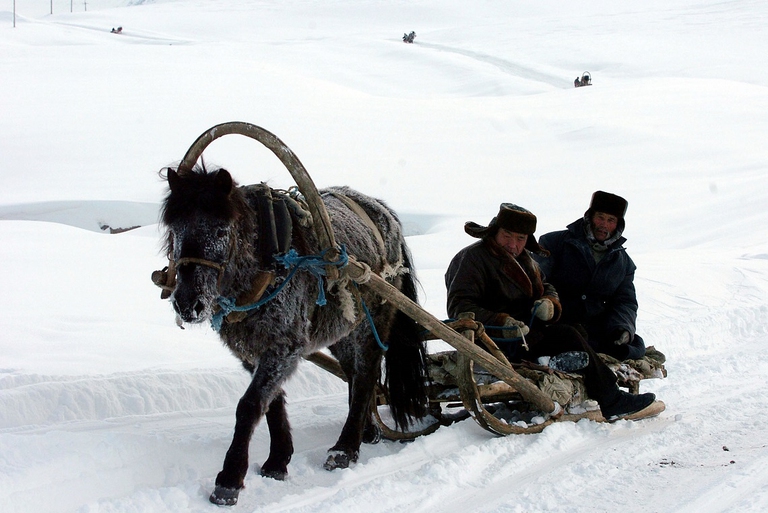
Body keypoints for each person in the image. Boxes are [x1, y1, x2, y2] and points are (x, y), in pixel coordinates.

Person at [445, 203, 660, 421]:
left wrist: (549, 303)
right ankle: (611, 400)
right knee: (568, 336)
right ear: (494, 232)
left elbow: (546, 286)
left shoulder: (524, 259)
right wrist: (502, 322)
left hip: (524, 336)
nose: (513, 244)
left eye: (520, 239)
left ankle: (558, 367)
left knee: (578, 331)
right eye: (507, 235)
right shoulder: (473, 258)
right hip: (493, 340)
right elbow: (460, 307)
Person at [534, 191, 646, 361]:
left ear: (618, 225)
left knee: (635, 345)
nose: (604, 225)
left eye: (611, 220)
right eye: (600, 217)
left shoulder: (624, 264)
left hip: (595, 331)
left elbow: (625, 302)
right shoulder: (554, 243)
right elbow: (538, 279)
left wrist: (622, 328)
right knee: (571, 340)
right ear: (590, 217)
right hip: (557, 323)